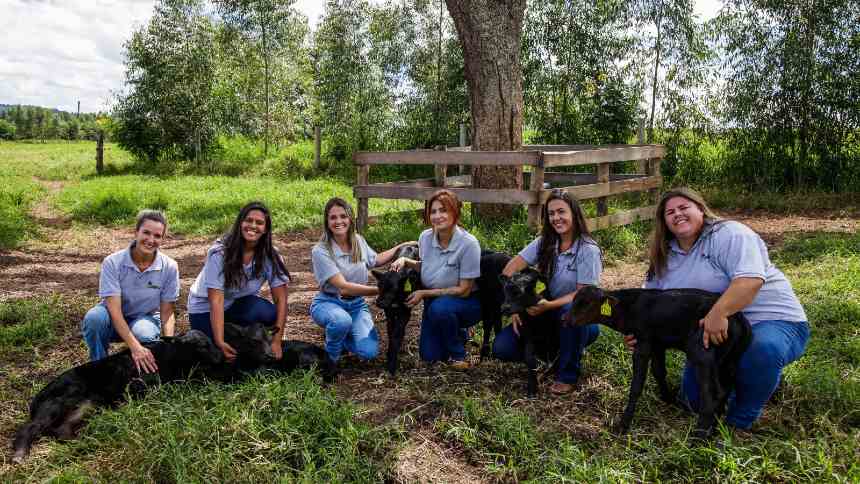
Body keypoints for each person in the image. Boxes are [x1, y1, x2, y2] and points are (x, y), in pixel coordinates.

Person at [628, 187, 809, 430]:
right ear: (664, 222)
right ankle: (752, 379)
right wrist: (640, 331)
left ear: (700, 209)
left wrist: (718, 312)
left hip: (770, 320)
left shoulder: (729, 234)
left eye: (684, 207)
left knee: (761, 350)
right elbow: (651, 302)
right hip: (715, 332)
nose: (677, 214)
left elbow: (750, 280)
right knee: (693, 401)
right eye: (669, 212)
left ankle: (740, 419)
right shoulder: (665, 256)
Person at [492, 189, 602, 394]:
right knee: (501, 349)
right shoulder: (546, 242)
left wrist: (548, 305)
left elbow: (584, 294)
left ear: (574, 214)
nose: (556, 218)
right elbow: (509, 270)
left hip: (579, 314)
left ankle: (567, 374)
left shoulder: (588, 249)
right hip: (547, 310)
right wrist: (515, 308)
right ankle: (555, 352)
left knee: (571, 310)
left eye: (561, 212)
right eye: (551, 213)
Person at [310, 198, 414, 364]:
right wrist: (383, 290)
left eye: (343, 216)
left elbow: (376, 260)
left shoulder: (358, 240)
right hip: (330, 302)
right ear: (327, 221)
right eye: (333, 217)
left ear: (350, 218)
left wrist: (401, 246)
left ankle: (341, 333)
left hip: (356, 305)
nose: (338, 221)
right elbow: (343, 288)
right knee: (340, 321)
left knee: (368, 352)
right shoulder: (321, 250)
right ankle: (330, 359)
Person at [187, 202, 290, 361]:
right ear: (240, 223)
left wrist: (277, 341)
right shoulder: (220, 253)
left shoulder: (271, 255)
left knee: (269, 314)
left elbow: (281, 299)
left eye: (260, 223)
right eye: (248, 220)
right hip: (205, 309)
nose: (253, 226)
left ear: (266, 229)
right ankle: (225, 334)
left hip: (236, 303)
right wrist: (219, 341)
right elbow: (216, 301)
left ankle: (236, 331)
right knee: (213, 354)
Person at [391, 189, 481, 368]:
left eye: (443, 210)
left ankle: (458, 354)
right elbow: (427, 266)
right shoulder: (425, 237)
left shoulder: (468, 244)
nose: (437, 216)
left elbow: (464, 290)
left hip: (465, 303)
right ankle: (457, 333)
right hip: (435, 303)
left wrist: (424, 292)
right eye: (433, 211)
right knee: (429, 355)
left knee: (440, 309)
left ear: (455, 212)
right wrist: (406, 261)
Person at [81, 210, 179, 374]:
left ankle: (140, 371)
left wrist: (168, 344)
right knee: (94, 318)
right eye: (146, 233)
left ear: (162, 239)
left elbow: (167, 311)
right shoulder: (113, 262)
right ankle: (99, 368)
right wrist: (135, 347)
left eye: (157, 236)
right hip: (112, 317)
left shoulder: (169, 266)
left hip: (144, 317)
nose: (151, 240)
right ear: (136, 232)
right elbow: (114, 311)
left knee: (145, 334)